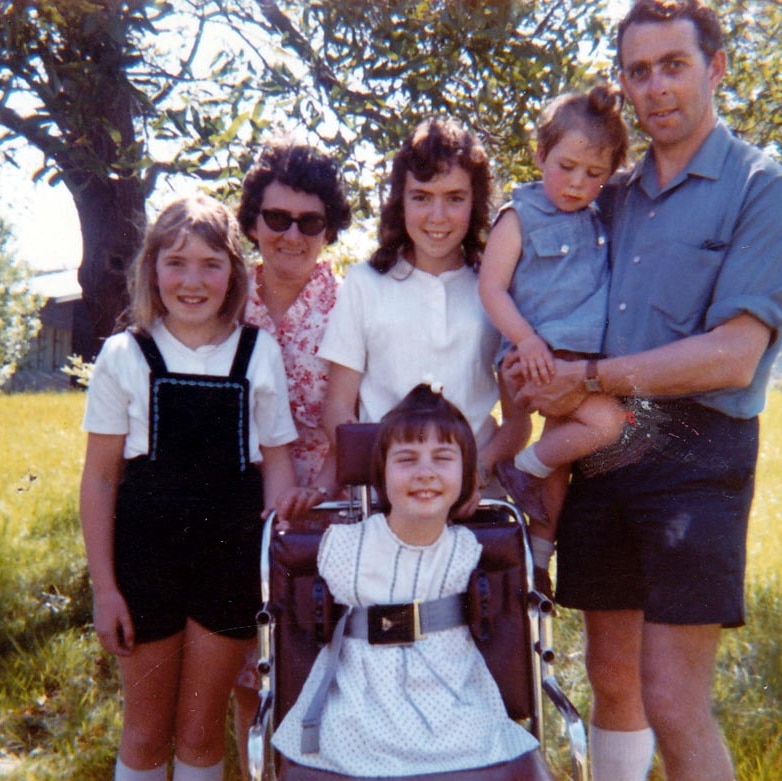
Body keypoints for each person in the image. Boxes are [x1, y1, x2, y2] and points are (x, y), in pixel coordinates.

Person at [503, 2, 782, 780]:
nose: (655, 86)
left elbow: (733, 355)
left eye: (674, 65)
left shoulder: (761, 186)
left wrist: (586, 378)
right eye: (638, 70)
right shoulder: (606, 193)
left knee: (671, 693)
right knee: (612, 678)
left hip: (698, 449)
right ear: (622, 85)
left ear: (717, 66)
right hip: (604, 448)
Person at [80, 195, 309, 781]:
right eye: (176, 262)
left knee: (202, 727)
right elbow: (101, 479)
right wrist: (106, 589)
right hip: (143, 569)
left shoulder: (259, 354)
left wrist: (278, 547)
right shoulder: (124, 355)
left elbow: (279, 463)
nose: (192, 280)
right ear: (152, 268)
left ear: (233, 273)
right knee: (146, 729)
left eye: (211, 263)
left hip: (227, 564)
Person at [272, 383, 551, 780]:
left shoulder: (466, 548)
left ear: (465, 472)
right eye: (406, 459)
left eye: (443, 458)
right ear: (381, 473)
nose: (425, 473)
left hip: (452, 702)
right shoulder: (344, 546)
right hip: (359, 706)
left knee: (489, 745)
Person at [320, 117, 528, 509]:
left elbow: (518, 424)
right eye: (421, 196)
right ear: (400, 200)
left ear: (476, 202)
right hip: (384, 501)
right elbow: (337, 409)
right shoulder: (365, 283)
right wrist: (387, 475)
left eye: (454, 197)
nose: (438, 216)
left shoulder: (496, 289)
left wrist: (475, 473)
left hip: (474, 500)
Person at [479, 84, 630, 597]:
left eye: (594, 175)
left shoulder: (595, 220)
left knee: (557, 463)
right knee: (607, 423)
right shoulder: (519, 216)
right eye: (566, 166)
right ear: (541, 154)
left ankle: (537, 565)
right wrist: (526, 342)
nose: (576, 183)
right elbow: (491, 287)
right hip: (535, 355)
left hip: (574, 358)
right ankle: (514, 468)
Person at [233, 139, 351, 778]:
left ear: (328, 228)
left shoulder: (349, 303)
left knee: (317, 660)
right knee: (248, 669)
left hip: (324, 501)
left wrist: (320, 496)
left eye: (310, 221)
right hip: (231, 497)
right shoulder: (224, 298)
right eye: (276, 218)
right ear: (253, 222)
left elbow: (355, 414)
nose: (291, 235)